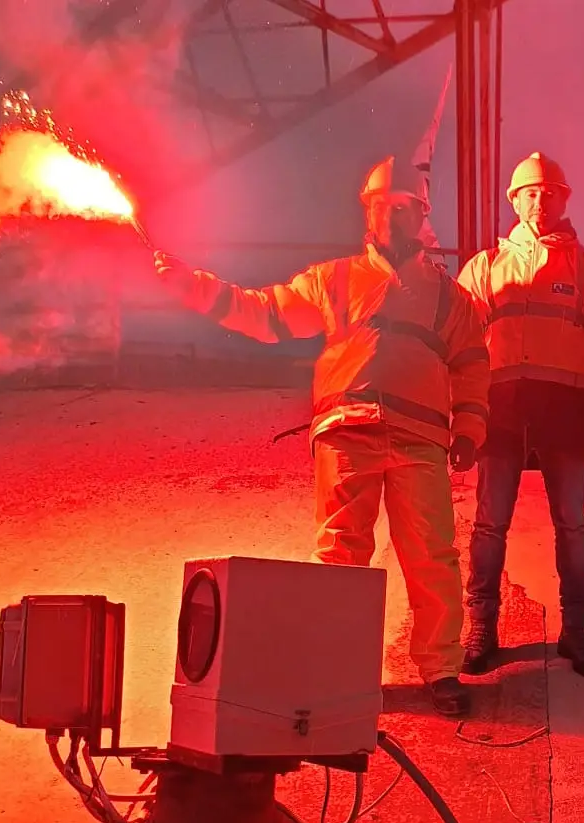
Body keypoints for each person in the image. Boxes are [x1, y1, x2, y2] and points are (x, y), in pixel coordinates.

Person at [153, 157, 491, 717]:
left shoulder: (447, 296)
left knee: (433, 555)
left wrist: (471, 426)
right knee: (339, 558)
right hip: (347, 430)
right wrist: (194, 288)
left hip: (421, 439)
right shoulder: (331, 280)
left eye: (404, 207)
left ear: (421, 215)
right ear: (368, 212)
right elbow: (264, 315)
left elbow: (472, 363)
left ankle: (441, 669)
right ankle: (339, 671)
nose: (392, 216)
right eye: (382, 206)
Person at [455, 152, 584, 678]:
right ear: (514, 201)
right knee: (490, 524)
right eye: (530, 192)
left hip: (564, 410)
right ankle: (481, 627)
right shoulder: (486, 266)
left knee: (572, 526)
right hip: (501, 408)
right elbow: (458, 334)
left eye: (550, 192)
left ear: (564, 200)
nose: (541, 200)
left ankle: (576, 632)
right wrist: (450, 397)